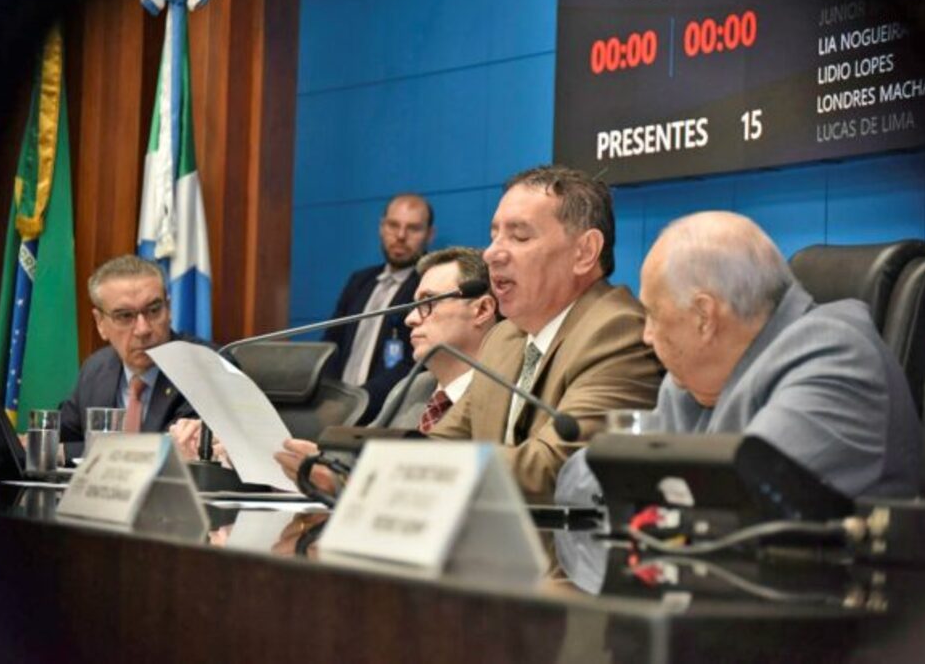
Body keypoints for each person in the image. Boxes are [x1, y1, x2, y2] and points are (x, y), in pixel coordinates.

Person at [556, 211, 922, 505]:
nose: (646, 335)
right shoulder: (690, 383)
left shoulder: (837, 356)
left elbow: (743, 497)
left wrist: (637, 483)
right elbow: (579, 481)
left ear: (704, 316)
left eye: (654, 315)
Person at [429, 165, 663, 499]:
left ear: (584, 252)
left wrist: (421, 469)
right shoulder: (504, 338)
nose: (491, 253)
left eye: (519, 236)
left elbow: (555, 468)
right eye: (494, 234)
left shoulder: (618, 332)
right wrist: (349, 467)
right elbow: (446, 440)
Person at [275, 246, 499, 483]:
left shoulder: (504, 397)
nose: (410, 319)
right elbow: (349, 460)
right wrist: (312, 462)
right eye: (414, 305)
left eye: (428, 303)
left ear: (482, 310)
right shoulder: (413, 388)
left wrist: (342, 484)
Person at [58, 255, 210, 458]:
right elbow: (59, 437)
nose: (143, 329)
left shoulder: (203, 367)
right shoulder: (95, 369)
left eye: (154, 310)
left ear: (169, 309)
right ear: (100, 323)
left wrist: (65, 452)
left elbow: (165, 449)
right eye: (125, 316)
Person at [321, 194, 435, 422]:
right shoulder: (359, 281)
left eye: (413, 228)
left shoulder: (428, 285)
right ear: (382, 227)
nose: (401, 236)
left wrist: (357, 400)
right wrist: (328, 399)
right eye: (394, 225)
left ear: (429, 235)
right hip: (335, 412)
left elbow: (417, 362)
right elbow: (330, 345)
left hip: (388, 412)